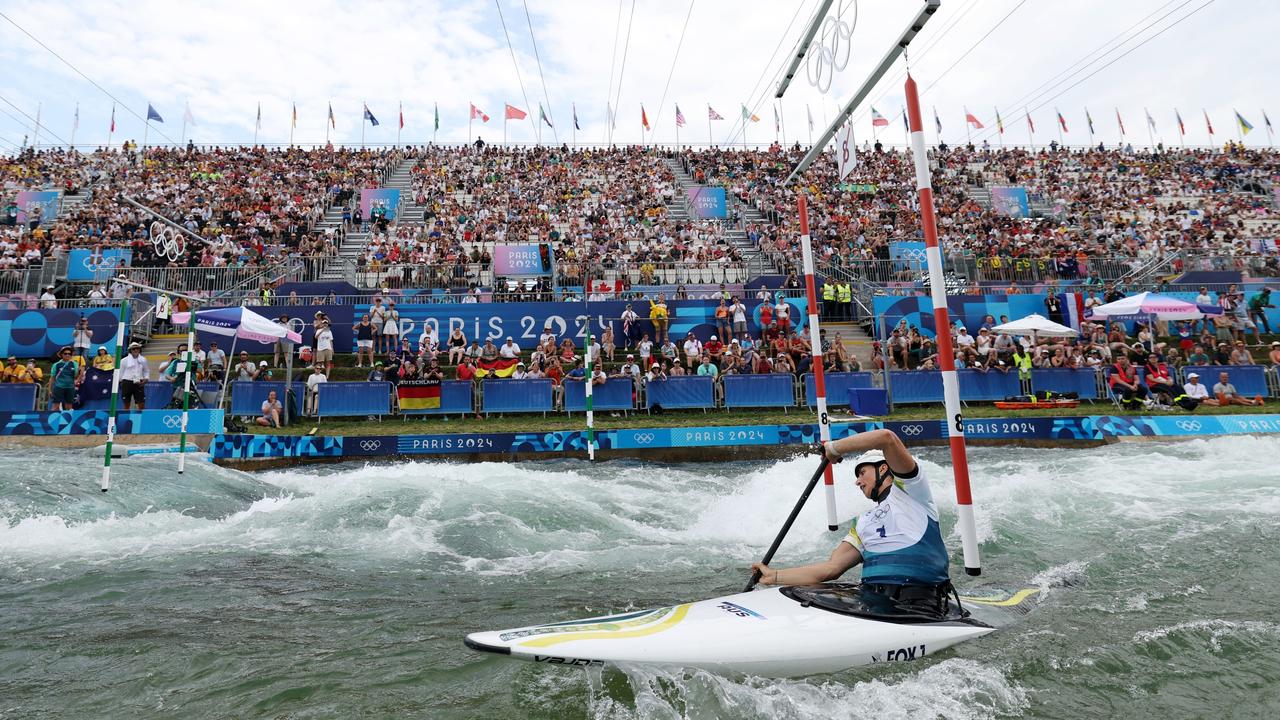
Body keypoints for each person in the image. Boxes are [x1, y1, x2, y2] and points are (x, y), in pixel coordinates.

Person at [750, 430, 955, 617]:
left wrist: (833, 448)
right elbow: (832, 568)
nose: (858, 481)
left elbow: (886, 438)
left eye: (862, 473)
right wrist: (774, 576)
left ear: (883, 468)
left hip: (918, 603)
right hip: (871, 601)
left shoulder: (912, 490)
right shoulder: (863, 522)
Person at [48, 347, 83, 411]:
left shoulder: (75, 364)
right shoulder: (56, 365)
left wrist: (80, 373)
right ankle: (53, 420)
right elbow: (52, 378)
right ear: (61, 354)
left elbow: (76, 376)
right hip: (58, 387)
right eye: (65, 353)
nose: (67, 355)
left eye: (69, 354)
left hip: (70, 387)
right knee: (55, 407)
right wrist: (50, 390)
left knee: (69, 408)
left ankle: (67, 420)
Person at [118, 342, 149, 410]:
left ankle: (141, 417)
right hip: (127, 382)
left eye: (137, 348)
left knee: (141, 402)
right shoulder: (124, 360)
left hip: (139, 382)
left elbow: (146, 371)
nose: (135, 350)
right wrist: (120, 382)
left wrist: (146, 379)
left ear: (139, 350)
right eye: (133, 349)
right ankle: (126, 416)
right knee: (126, 402)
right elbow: (120, 372)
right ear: (130, 350)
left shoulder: (143, 360)